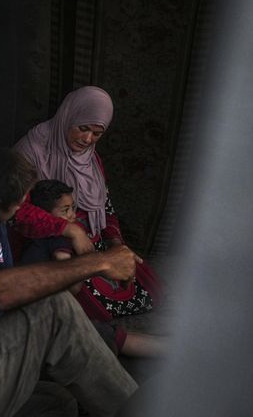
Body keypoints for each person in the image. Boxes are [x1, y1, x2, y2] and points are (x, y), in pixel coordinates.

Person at [0, 150, 141, 417]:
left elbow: (27, 215)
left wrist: (69, 230)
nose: (22, 208)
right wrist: (100, 262)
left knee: (57, 402)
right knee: (52, 310)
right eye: (18, 203)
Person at [11, 86, 161, 320]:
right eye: (83, 128)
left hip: (91, 242)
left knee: (147, 285)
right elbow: (16, 212)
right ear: (68, 116)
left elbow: (105, 206)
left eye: (97, 133)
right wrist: (69, 230)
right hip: (48, 244)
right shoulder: (31, 152)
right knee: (87, 298)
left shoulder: (90, 157)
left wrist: (114, 243)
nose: (87, 139)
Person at [22, 178, 165, 358]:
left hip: (38, 302)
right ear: (45, 215)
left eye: (73, 208)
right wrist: (92, 267)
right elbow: (71, 281)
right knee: (110, 335)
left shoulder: (35, 237)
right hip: (46, 309)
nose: (73, 216)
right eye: (65, 211)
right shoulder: (59, 238)